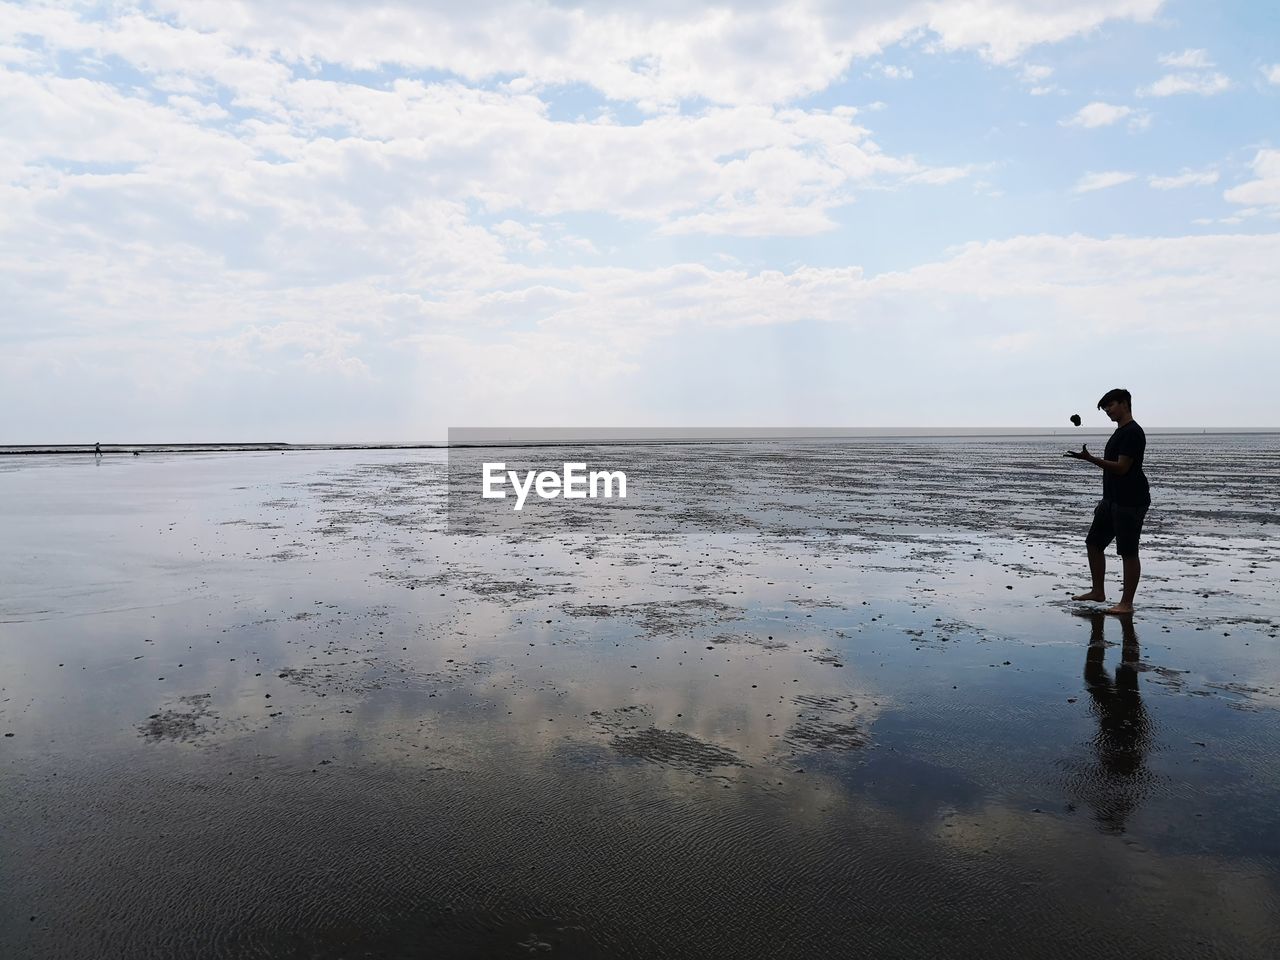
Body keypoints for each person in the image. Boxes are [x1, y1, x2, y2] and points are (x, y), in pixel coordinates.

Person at [1064, 388, 1150, 615]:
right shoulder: (1119, 432)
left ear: (1124, 404)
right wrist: (1105, 499)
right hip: (1111, 500)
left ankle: (1126, 603)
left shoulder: (1132, 432)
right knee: (1093, 543)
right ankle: (1098, 591)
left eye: (1110, 406)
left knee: (1128, 551)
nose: (1107, 411)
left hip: (1130, 500)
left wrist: (1091, 459)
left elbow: (1122, 468)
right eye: (1105, 408)